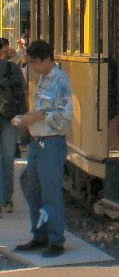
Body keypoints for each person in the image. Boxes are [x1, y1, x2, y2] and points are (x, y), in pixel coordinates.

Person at [13, 40, 73, 258]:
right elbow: (39, 108)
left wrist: (35, 117)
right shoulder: (43, 80)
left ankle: (56, 240)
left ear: (47, 60)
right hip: (38, 141)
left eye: (36, 62)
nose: (34, 66)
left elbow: (64, 118)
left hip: (51, 142)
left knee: (50, 192)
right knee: (34, 192)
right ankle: (39, 236)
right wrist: (29, 123)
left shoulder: (60, 81)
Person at [0, 38, 27, 215]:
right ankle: (6, 200)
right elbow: (22, 93)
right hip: (9, 117)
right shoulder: (13, 68)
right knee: (7, 159)